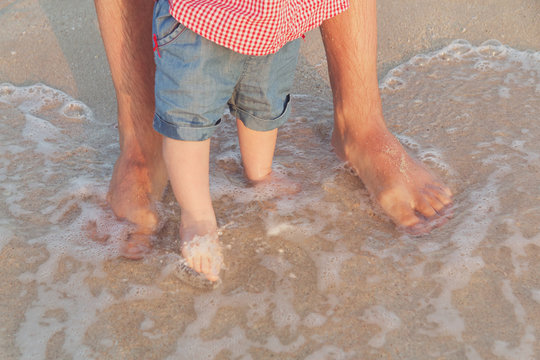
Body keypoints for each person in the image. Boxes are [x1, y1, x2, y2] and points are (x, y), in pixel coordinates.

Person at [94, 0, 453, 281]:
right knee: (187, 120)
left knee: (263, 104)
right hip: (200, 19)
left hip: (277, 19)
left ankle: (265, 172)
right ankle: (196, 213)